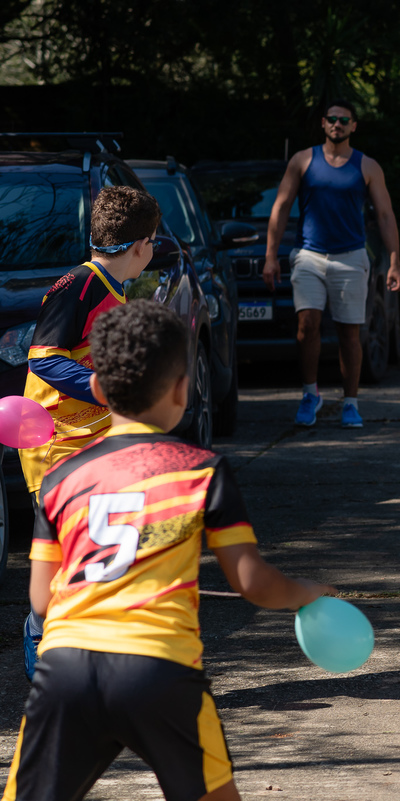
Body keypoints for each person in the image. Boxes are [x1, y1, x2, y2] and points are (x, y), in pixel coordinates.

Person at [4, 300, 335, 801]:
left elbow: (43, 600)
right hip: (159, 669)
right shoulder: (200, 470)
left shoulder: (58, 478)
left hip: (65, 671)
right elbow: (252, 583)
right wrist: (306, 593)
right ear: (183, 388)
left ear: (95, 387)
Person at [18, 185, 162, 682]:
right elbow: (46, 361)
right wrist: (108, 388)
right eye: (155, 243)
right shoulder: (75, 286)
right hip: (56, 450)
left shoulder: (117, 290)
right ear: (143, 244)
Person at [263, 98, 400, 429]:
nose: (337, 124)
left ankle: (351, 403)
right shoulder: (302, 160)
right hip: (309, 255)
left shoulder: (367, 166)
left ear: (353, 126)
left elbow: (385, 215)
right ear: (323, 124)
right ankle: (310, 395)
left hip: (352, 258)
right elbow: (281, 207)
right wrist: (271, 257)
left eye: (344, 120)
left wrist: (395, 262)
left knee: (349, 333)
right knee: (306, 326)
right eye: (332, 119)